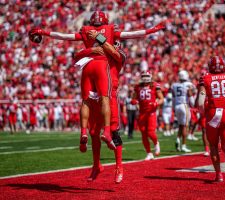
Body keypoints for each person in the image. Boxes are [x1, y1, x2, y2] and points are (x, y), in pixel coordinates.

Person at [29, 10, 165, 152]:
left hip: (92, 72)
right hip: (103, 81)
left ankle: (88, 136)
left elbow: (71, 42)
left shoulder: (108, 45)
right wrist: (151, 30)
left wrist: (45, 32)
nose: (116, 45)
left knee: (92, 109)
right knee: (103, 127)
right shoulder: (110, 35)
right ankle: (100, 141)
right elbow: (130, 36)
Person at [74, 34, 127, 183]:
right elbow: (77, 56)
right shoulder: (97, 54)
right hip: (96, 96)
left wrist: (101, 42)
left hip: (111, 97)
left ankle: (119, 167)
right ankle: (96, 165)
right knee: (93, 132)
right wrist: (93, 49)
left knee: (114, 132)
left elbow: (116, 54)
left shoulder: (119, 55)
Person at [132, 71, 164, 160]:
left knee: (150, 132)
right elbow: (134, 99)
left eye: (147, 76)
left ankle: (156, 142)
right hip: (142, 112)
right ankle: (149, 153)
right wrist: (134, 101)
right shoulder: (138, 87)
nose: (145, 78)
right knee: (143, 133)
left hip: (151, 112)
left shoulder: (154, 85)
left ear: (150, 76)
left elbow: (161, 99)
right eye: (144, 76)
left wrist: (156, 103)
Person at [171, 70, 194, 152]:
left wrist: (173, 108)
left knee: (181, 125)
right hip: (184, 105)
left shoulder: (174, 85)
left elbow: (173, 98)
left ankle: (177, 139)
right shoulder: (189, 84)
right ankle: (183, 145)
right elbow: (190, 96)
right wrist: (193, 104)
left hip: (177, 105)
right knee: (185, 126)